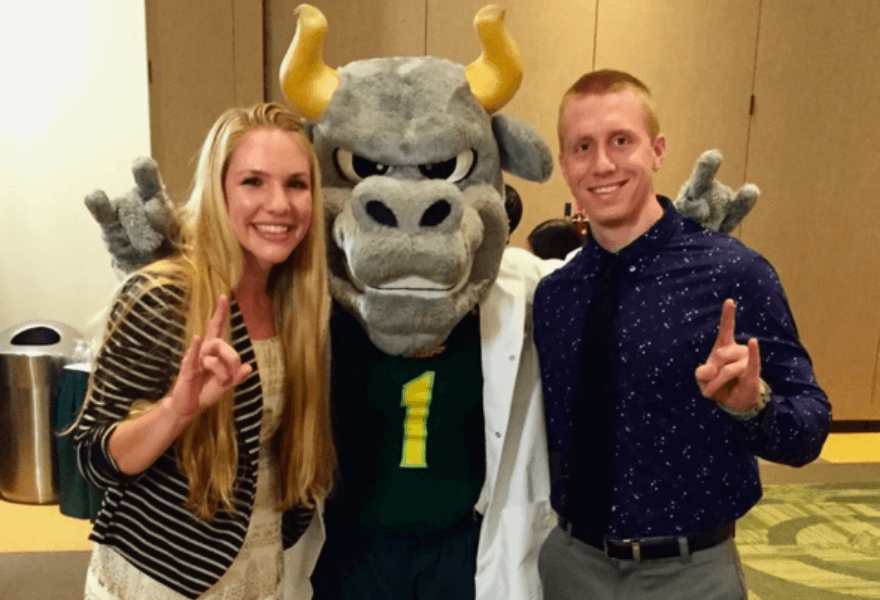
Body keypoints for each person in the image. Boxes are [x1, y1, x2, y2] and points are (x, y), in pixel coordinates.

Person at [533, 70, 830, 599]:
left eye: (620, 140)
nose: (601, 164)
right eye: (583, 146)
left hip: (689, 575)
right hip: (571, 568)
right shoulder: (555, 296)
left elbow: (810, 429)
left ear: (658, 150)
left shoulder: (733, 275)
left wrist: (752, 403)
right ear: (564, 165)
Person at [71, 102, 334, 600]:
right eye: (253, 182)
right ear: (218, 191)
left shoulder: (297, 303)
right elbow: (90, 456)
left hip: (261, 570)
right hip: (165, 577)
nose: (279, 204)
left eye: (296, 184)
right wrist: (175, 412)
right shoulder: (163, 296)